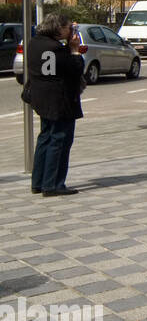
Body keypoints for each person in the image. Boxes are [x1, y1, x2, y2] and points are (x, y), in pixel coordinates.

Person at [22, 13, 84, 197]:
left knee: (45, 138)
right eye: (67, 28)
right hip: (60, 100)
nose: (70, 31)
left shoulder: (34, 43)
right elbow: (75, 68)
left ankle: (38, 182)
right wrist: (74, 49)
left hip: (41, 98)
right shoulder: (58, 49)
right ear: (58, 29)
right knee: (60, 140)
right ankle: (53, 184)